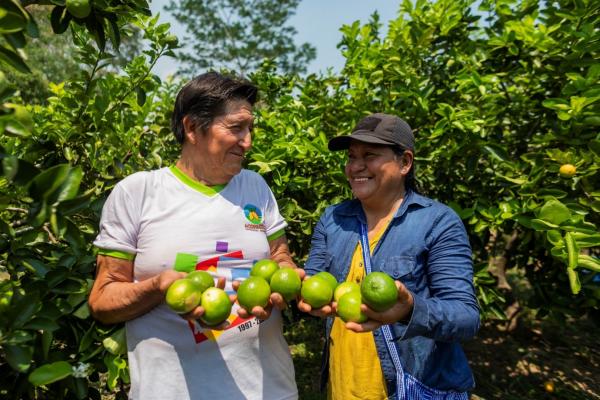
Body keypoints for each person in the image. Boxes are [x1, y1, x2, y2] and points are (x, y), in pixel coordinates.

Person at [88, 72, 300, 400]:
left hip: (269, 390)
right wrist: (157, 288)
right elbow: (102, 300)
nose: (248, 141)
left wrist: (287, 274)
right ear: (192, 128)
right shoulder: (139, 193)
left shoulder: (255, 187)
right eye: (236, 128)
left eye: (250, 128)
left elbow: (279, 255)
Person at [299, 113, 480, 400]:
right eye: (351, 156)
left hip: (408, 389)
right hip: (343, 388)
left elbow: (466, 316)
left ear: (405, 162)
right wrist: (300, 291)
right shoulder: (333, 218)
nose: (356, 166)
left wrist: (410, 310)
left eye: (369, 155)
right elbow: (312, 281)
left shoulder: (437, 222)